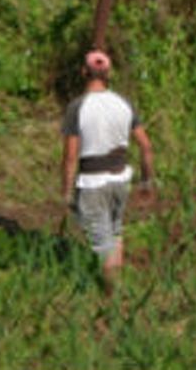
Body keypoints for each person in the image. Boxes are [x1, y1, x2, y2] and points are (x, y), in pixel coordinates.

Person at [61, 50, 155, 294]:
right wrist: (146, 182)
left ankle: (114, 297)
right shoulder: (124, 104)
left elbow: (71, 157)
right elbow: (146, 146)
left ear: (84, 72)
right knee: (114, 232)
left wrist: (66, 193)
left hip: (92, 182)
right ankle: (115, 287)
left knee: (103, 242)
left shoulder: (76, 107)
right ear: (108, 74)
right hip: (120, 179)